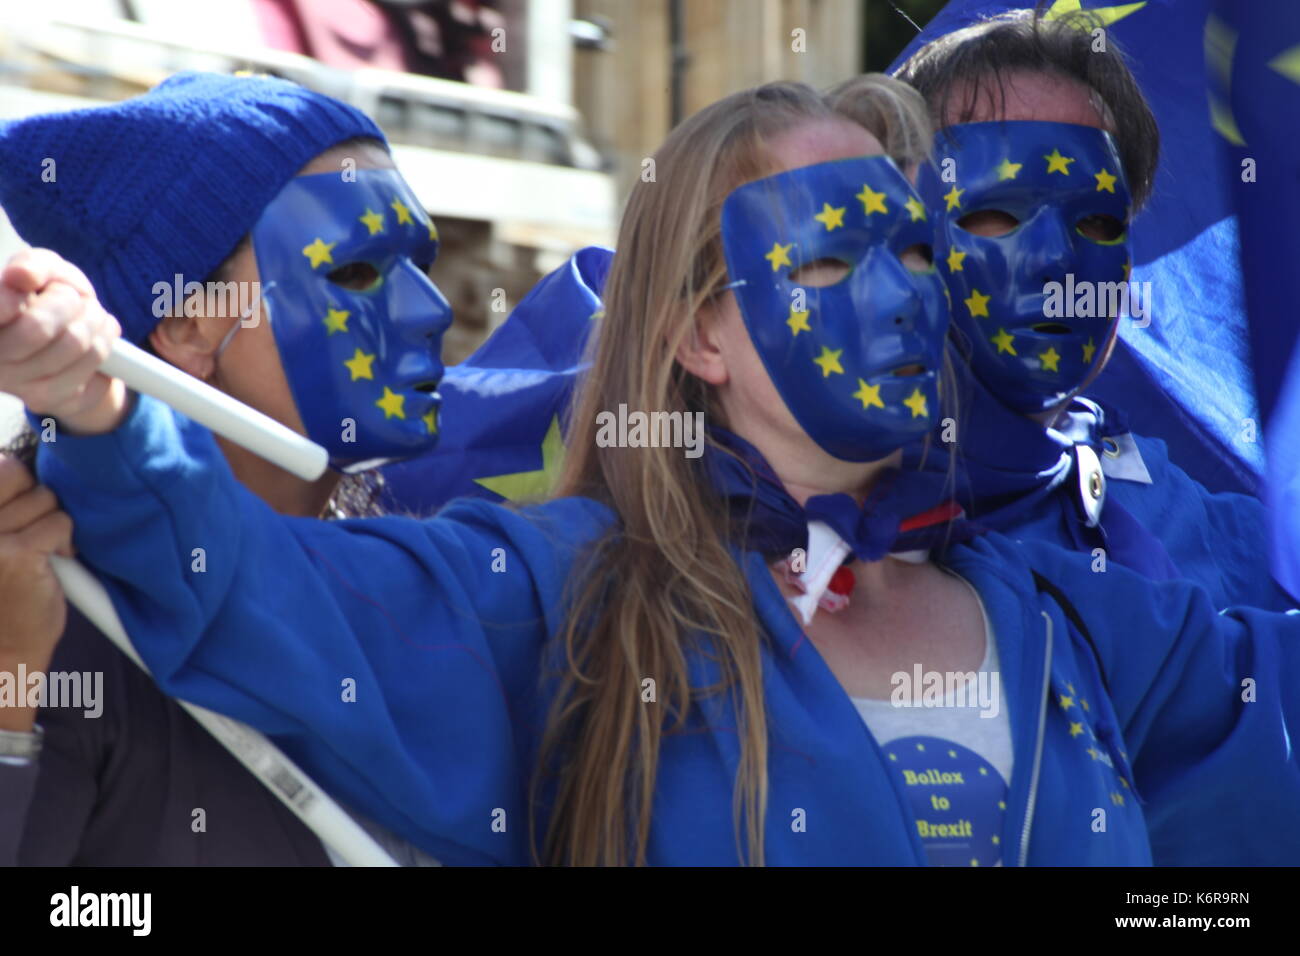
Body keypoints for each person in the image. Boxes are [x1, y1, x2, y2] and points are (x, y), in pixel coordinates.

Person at [4, 74, 1300, 867]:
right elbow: (251, 582)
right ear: (698, 335)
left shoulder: (1084, 621)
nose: (904, 297)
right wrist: (103, 407)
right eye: (834, 261)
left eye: (914, 253)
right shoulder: (557, 599)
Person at [0, 71, 452, 865]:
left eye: (421, 263)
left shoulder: (434, 573)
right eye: (358, 271)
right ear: (186, 326)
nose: (433, 309)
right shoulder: (44, 604)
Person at [894, 9, 1294, 611]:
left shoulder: (1232, 546)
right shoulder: (810, 521)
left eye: (1096, 222)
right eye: (997, 213)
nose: (1056, 259)